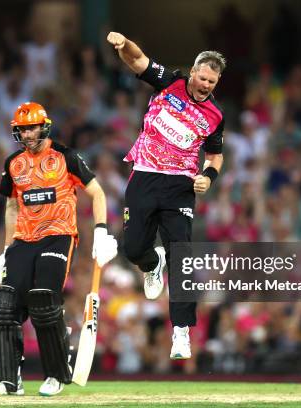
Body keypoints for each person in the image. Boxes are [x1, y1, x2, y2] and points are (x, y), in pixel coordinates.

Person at [106, 32, 226, 359]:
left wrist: (208, 177)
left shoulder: (215, 115)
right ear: (193, 72)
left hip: (180, 185)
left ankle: (182, 332)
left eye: (211, 82)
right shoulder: (170, 82)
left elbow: (215, 156)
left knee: (181, 255)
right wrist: (124, 43)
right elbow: (137, 59)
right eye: (202, 78)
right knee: (133, 249)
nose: (205, 85)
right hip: (144, 174)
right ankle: (151, 261)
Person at [0, 102, 118, 396]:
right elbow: (11, 207)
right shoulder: (13, 163)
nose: (27, 133)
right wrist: (6, 249)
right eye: (21, 129)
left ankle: (56, 374)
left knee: (44, 300)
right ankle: (8, 380)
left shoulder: (66, 157)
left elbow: (97, 193)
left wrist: (100, 232)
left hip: (59, 236)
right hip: (23, 239)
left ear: (44, 126)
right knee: (5, 306)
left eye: (31, 127)